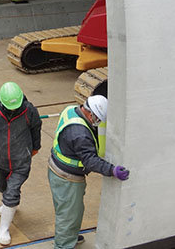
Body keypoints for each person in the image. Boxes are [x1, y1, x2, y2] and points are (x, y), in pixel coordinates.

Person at [48, 95, 129, 248]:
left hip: (57, 168)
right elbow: (90, 161)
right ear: (90, 113)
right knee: (69, 214)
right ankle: (63, 244)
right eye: (97, 119)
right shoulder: (80, 134)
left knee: (71, 210)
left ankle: (68, 235)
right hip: (67, 178)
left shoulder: (71, 110)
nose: (97, 123)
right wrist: (112, 170)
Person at [0, 81, 42, 246]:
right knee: (3, 188)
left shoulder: (29, 110)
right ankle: (8, 206)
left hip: (21, 161)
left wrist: (35, 147)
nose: (13, 110)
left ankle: (3, 229)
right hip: (1, 159)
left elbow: (36, 128)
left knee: (12, 192)